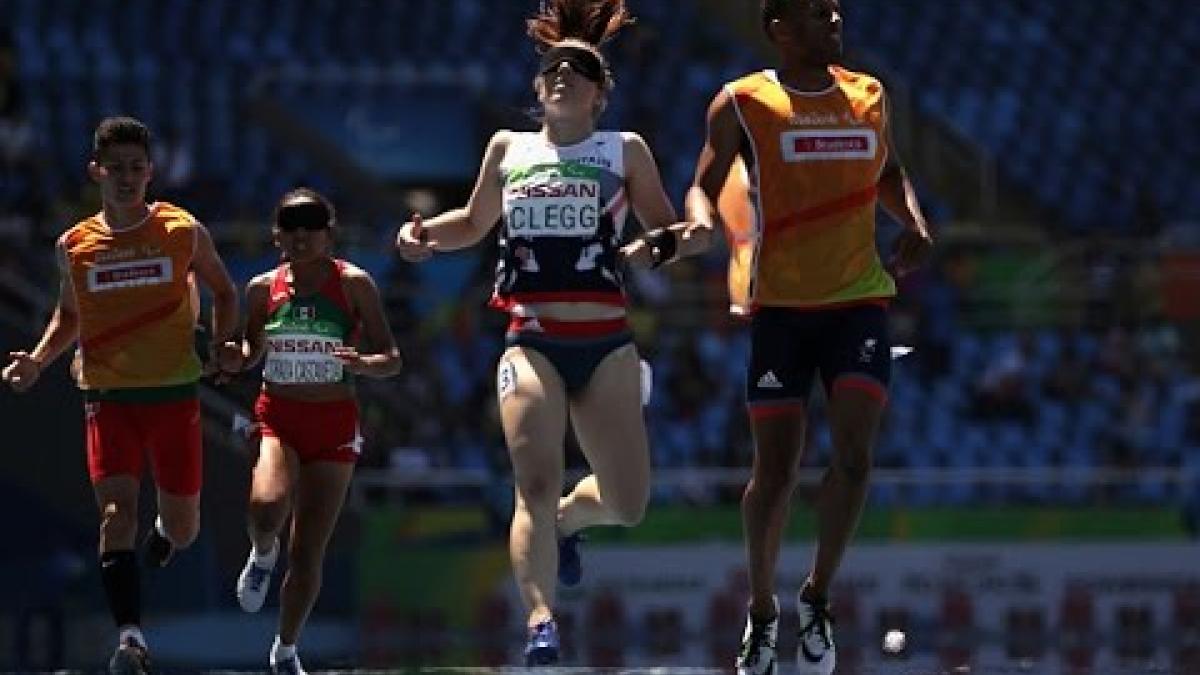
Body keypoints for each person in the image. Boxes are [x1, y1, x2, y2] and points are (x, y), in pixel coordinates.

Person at [396, 0, 709, 665]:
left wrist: (688, 238)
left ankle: (569, 521)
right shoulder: (509, 148)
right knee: (532, 483)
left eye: (578, 69)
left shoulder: (623, 150)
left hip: (607, 344)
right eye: (551, 68)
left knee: (626, 504)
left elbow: (665, 233)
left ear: (599, 94)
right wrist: (422, 238)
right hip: (531, 336)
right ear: (538, 90)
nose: (562, 74)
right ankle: (541, 621)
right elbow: (474, 222)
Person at [686, 1, 934, 673]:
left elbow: (887, 171)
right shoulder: (744, 101)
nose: (836, 23)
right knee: (776, 471)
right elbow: (703, 188)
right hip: (781, 310)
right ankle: (762, 611)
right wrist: (700, 225)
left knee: (854, 457)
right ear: (779, 29)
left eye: (836, 13)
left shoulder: (868, 93)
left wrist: (912, 218)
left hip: (859, 301)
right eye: (819, 16)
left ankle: (816, 597)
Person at [1, 116, 241, 674]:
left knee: (184, 528)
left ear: (151, 172)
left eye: (137, 168)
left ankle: (164, 534)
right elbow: (68, 315)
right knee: (115, 514)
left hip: (175, 397)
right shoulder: (75, 245)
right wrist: (37, 360)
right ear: (96, 172)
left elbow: (225, 291)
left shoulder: (182, 231)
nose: (127, 178)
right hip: (107, 397)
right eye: (116, 169)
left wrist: (225, 344)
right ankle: (130, 638)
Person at [231, 188, 402, 675]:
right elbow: (250, 348)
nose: (301, 237)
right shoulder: (262, 289)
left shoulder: (354, 285)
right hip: (279, 418)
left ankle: (285, 650)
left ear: (331, 234)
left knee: (307, 550)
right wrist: (234, 356)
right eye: (291, 227)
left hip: (333, 428)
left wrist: (363, 364)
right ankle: (262, 554)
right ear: (277, 234)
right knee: (265, 511)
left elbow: (391, 359)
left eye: (312, 227)